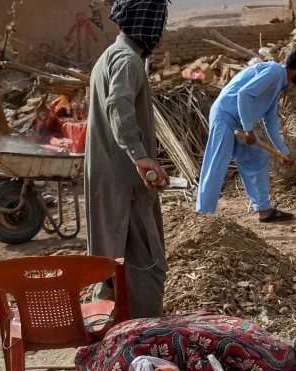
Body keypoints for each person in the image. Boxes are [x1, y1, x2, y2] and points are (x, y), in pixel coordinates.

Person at [86, 0, 171, 319]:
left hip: (109, 182)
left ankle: (108, 343)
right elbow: (118, 107)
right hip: (126, 187)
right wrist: (140, 156)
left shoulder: (109, 56)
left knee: (112, 267)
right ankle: (142, 344)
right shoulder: (126, 60)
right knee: (145, 269)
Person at [195, 48, 296, 222]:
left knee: (257, 156)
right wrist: (248, 129)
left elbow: (270, 121)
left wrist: (283, 152)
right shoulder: (273, 71)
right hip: (225, 116)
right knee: (217, 163)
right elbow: (244, 94)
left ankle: (264, 210)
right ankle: (202, 215)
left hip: (238, 121)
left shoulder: (278, 84)